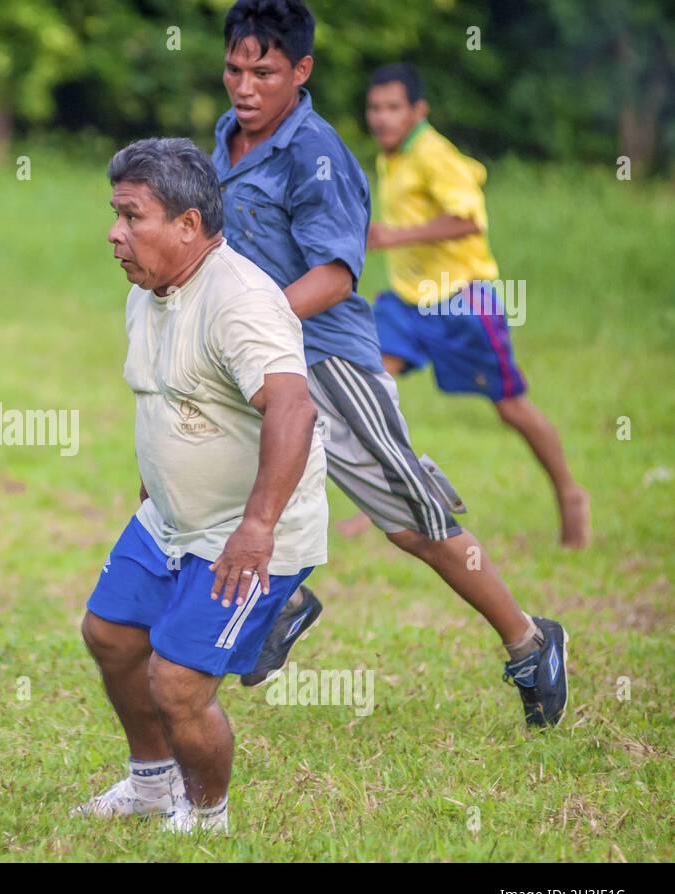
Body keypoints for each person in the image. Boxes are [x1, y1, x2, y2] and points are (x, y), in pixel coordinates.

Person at [210, 0, 569, 728]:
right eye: (234, 68)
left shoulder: (316, 155)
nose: (244, 86)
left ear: (300, 71)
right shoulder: (228, 137)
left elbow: (338, 275)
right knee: (204, 479)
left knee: (411, 521)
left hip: (327, 362)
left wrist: (252, 320)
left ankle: (531, 642)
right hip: (255, 360)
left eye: (265, 72)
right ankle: (282, 599)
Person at [74, 137, 328, 832]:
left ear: (188, 225)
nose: (114, 233)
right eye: (115, 215)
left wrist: (257, 528)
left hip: (247, 530)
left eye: (132, 217)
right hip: (170, 519)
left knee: (178, 683)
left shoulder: (240, 299)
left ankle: (207, 815)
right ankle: (152, 784)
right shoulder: (151, 290)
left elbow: (293, 407)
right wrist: (152, 485)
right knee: (111, 634)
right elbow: (167, 400)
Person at [343, 62, 589, 548]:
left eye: (393, 107)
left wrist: (393, 236)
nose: (382, 117)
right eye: (375, 108)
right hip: (405, 305)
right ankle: (384, 506)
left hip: (460, 301)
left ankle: (569, 494)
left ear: (418, 110)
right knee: (368, 394)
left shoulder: (434, 155)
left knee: (511, 408)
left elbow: (469, 221)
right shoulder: (391, 155)